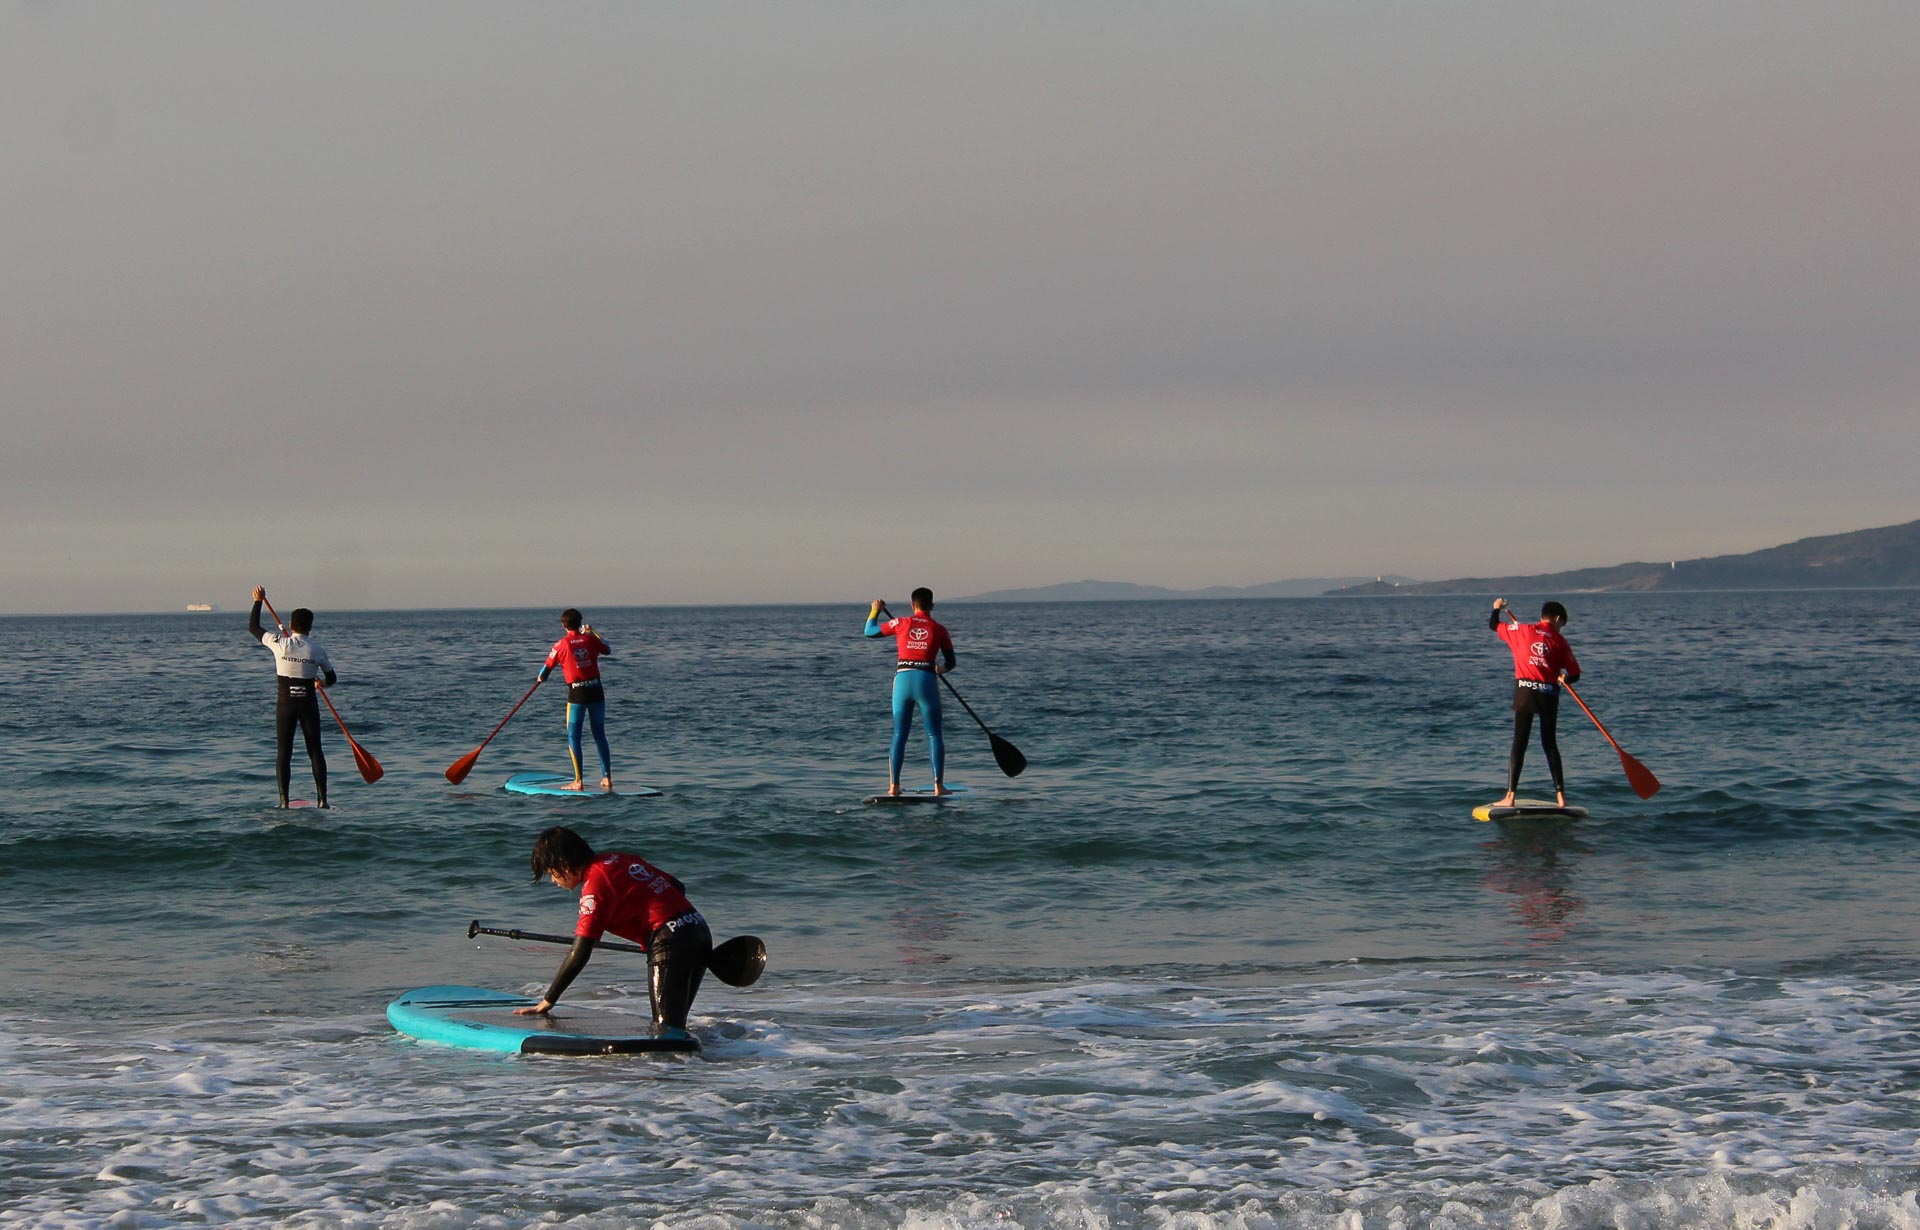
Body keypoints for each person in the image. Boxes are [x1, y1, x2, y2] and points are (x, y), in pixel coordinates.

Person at [514, 825, 712, 1030]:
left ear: (563, 864)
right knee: (675, 1025)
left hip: (669, 941)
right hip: (698, 929)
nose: (553, 880)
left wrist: (547, 1001)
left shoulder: (594, 886)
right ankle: (708, 1049)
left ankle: (678, 1052)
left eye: (551, 873)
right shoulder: (620, 859)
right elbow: (677, 886)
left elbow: (580, 952)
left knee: (666, 1031)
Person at [249, 585, 336, 809]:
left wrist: (258, 601)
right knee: (315, 751)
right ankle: (323, 801)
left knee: (284, 753)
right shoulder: (317, 650)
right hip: (308, 705)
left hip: (285, 706)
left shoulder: (280, 643)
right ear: (310, 627)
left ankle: (283, 802)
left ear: (290, 625)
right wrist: (322, 683)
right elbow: (332, 678)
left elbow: (253, 627)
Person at [864, 587, 957, 796]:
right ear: (932, 606)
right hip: (926, 681)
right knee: (934, 734)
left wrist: (875, 610)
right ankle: (939, 787)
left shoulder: (900, 623)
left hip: (903, 682)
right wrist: (940, 669)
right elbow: (951, 662)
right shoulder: (940, 629)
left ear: (912, 605)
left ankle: (894, 787)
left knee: (899, 733)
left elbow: (869, 631)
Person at [1490, 597, 1582, 807]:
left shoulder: (1521, 630)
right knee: (1549, 744)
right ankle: (1561, 798)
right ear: (1557, 619)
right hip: (1548, 695)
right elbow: (1575, 674)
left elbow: (1493, 625)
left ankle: (1510, 797)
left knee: (1519, 743)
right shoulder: (1560, 641)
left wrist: (1497, 608)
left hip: (1525, 692)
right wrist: (1565, 678)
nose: (1560, 629)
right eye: (1561, 625)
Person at [537, 609, 614, 792]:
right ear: (580, 623)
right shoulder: (591, 638)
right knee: (599, 734)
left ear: (563, 625)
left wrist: (541, 678)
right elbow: (608, 649)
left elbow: (545, 670)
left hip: (578, 694)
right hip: (596, 691)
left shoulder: (561, 645)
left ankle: (578, 781)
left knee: (574, 736)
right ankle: (607, 778)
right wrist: (593, 632)